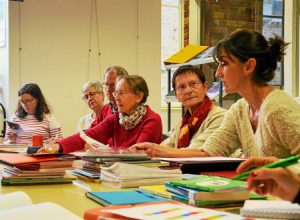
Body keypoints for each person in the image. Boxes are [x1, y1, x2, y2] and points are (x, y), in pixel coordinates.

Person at [134, 28, 300, 158]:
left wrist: (280, 169)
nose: (218, 73)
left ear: (248, 66)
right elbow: (207, 151)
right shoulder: (240, 109)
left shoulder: (277, 107)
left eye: (224, 64)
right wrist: (156, 150)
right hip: (262, 199)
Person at [38, 75, 162, 154]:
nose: (116, 98)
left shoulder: (152, 120)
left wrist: (102, 151)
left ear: (138, 96)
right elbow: (89, 135)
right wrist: (58, 146)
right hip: (118, 174)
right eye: (116, 93)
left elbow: (136, 153)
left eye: (122, 93)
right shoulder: (117, 118)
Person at [131, 65, 226, 157]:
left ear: (205, 87)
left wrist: (154, 149)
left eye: (193, 84)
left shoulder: (219, 117)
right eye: (182, 87)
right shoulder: (185, 124)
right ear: (176, 95)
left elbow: (196, 152)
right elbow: (165, 147)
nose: (188, 91)